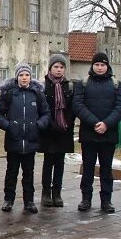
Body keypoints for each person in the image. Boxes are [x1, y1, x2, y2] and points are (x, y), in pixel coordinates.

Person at [72, 52, 121, 213]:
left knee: (106, 169)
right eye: (97, 65)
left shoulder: (116, 84)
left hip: (108, 134)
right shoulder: (83, 84)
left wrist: (106, 124)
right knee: (87, 168)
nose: (100, 67)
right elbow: (77, 105)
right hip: (89, 133)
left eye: (102, 65)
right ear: (92, 66)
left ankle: (106, 200)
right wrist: (95, 122)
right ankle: (86, 199)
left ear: (107, 66)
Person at [0, 63, 50, 214]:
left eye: (27, 75)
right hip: (14, 140)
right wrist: (8, 126)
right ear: (17, 77)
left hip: (31, 140)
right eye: (21, 75)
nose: (24, 78)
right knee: (11, 172)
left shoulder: (37, 94)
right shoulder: (9, 93)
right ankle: (8, 199)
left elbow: (46, 113)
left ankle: (29, 201)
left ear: (30, 77)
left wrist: (38, 125)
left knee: (29, 172)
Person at [38, 54, 76, 208]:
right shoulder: (43, 86)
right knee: (48, 163)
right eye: (56, 67)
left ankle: (57, 193)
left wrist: (68, 122)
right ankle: (46, 193)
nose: (59, 70)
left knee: (60, 163)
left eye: (61, 67)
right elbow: (42, 107)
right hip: (49, 130)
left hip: (64, 130)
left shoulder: (70, 86)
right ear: (50, 68)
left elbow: (72, 108)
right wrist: (50, 123)